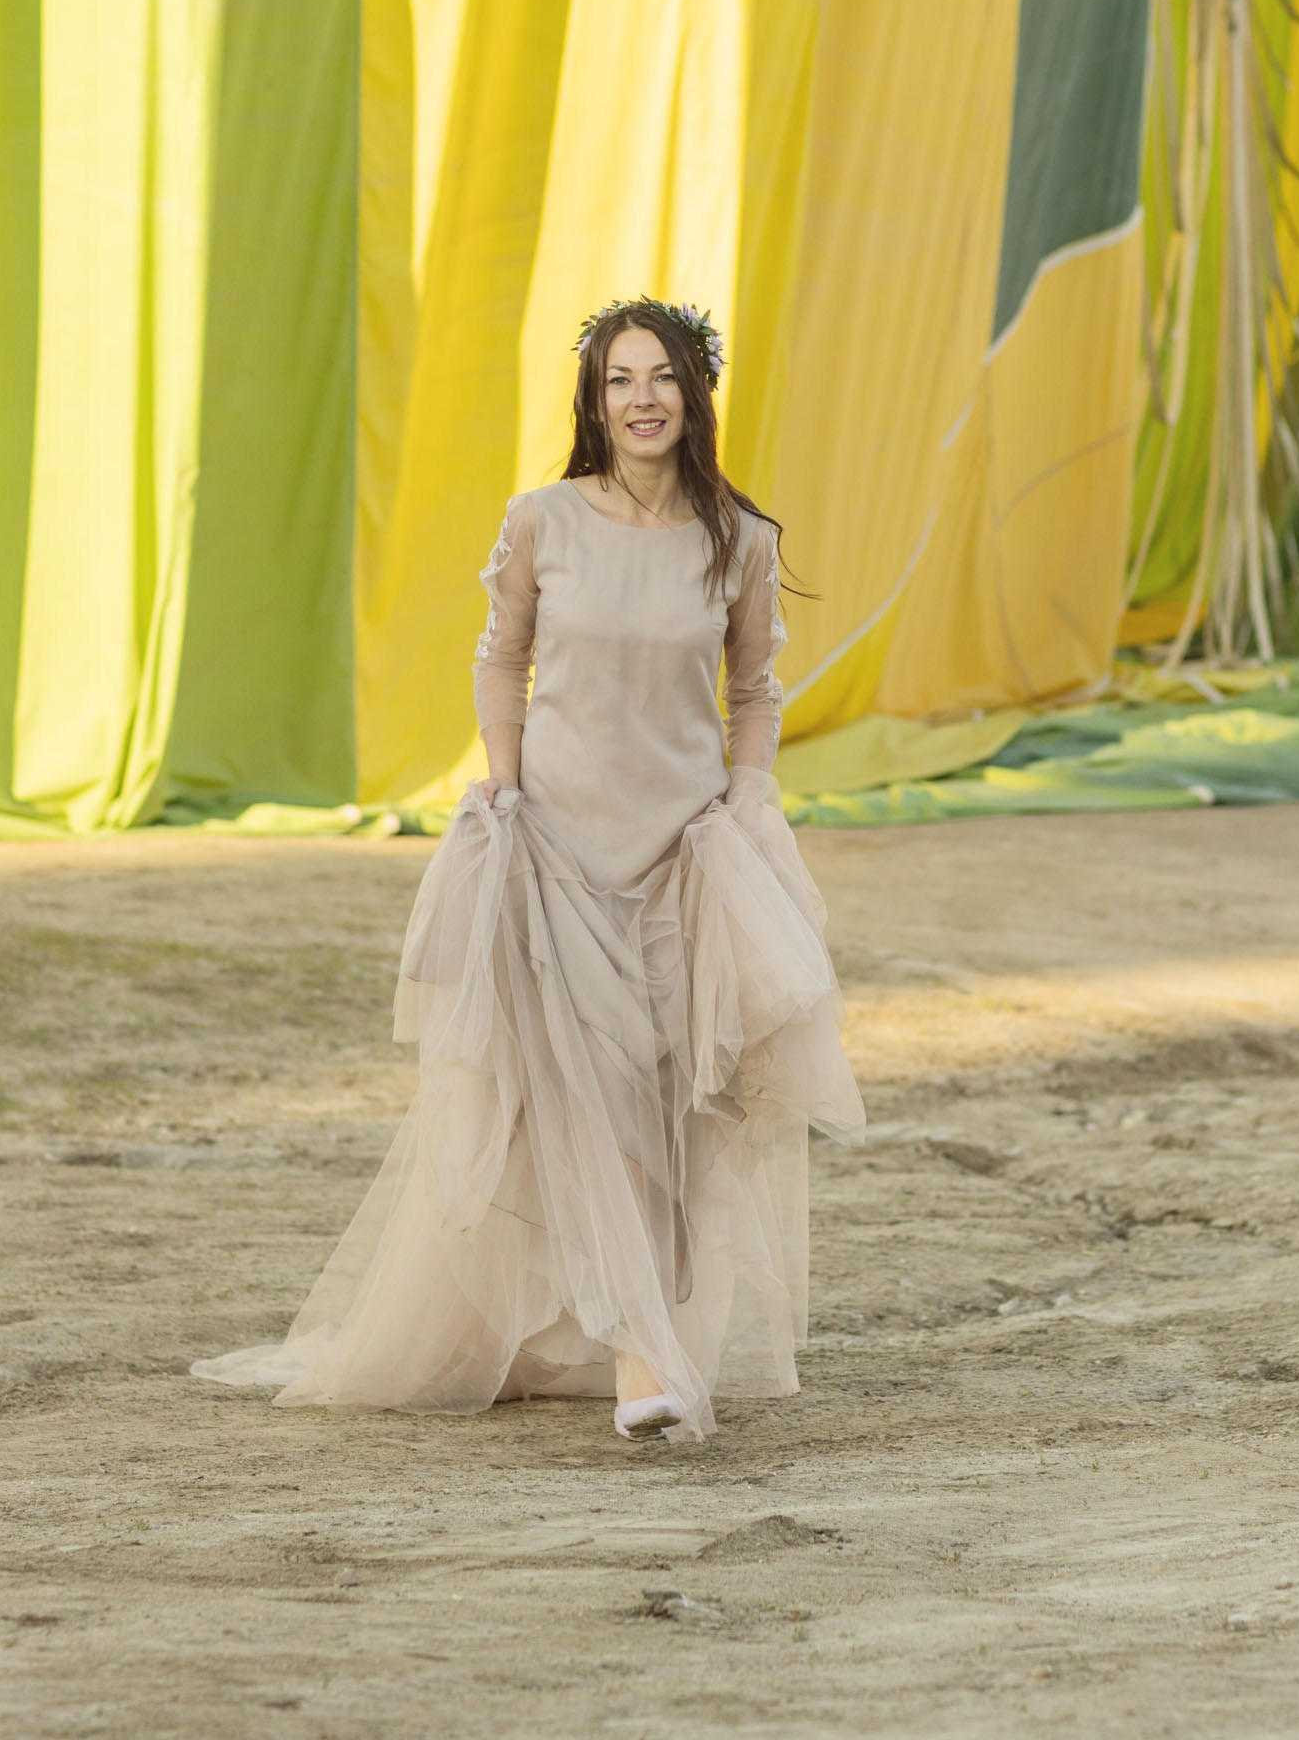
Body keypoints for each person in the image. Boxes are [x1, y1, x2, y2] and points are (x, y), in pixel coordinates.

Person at [192, 298, 863, 1442]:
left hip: (686, 855)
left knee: (672, 1105)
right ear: (593, 403)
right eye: (618, 381)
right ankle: (639, 1354)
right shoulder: (544, 520)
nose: (641, 399)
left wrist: (751, 793)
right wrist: (502, 786)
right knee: (583, 1101)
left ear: (695, 396)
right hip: (554, 846)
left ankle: (634, 1331)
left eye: (661, 378)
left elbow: (753, 692)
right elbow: (500, 659)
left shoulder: (740, 541)